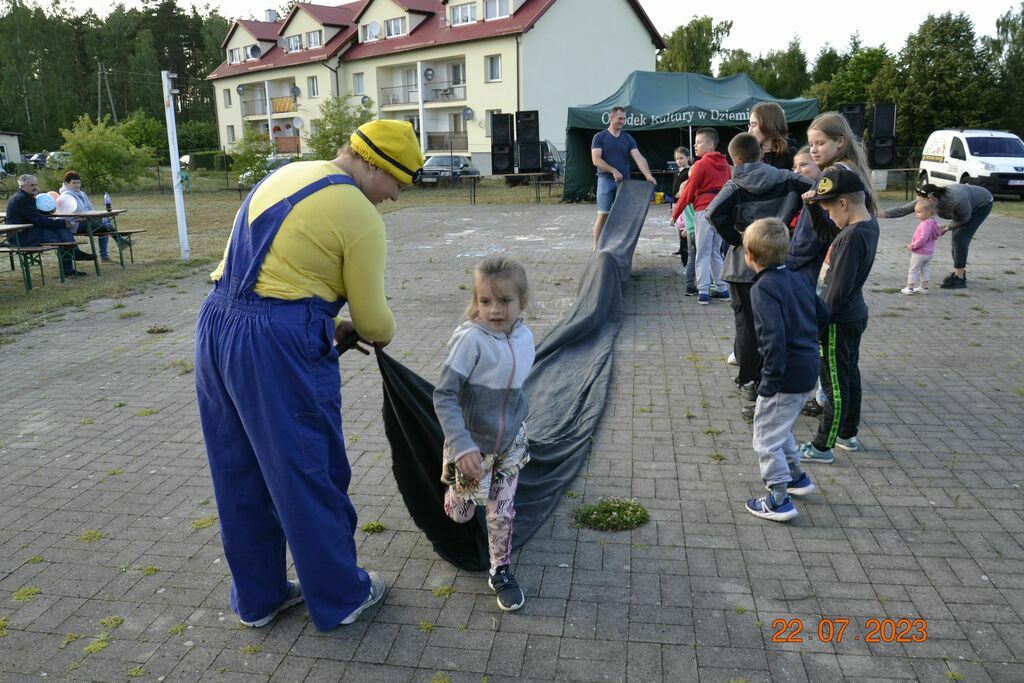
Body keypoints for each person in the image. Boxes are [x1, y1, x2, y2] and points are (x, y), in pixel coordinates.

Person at [194, 120, 424, 631]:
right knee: (306, 469)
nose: (395, 197)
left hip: (216, 323)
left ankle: (259, 599)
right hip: (277, 345)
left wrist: (320, 316)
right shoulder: (360, 215)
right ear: (371, 164)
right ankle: (342, 597)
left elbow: (274, 272)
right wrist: (358, 326)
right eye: (397, 183)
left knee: (239, 470)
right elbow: (374, 325)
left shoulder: (289, 173)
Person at [433, 256, 535, 612]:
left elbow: (517, 385)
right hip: (473, 447)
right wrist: (461, 446)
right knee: (461, 513)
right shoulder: (471, 342)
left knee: (501, 512)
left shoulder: (525, 337)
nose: (494, 310)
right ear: (476, 302)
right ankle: (452, 494)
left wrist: (518, 418)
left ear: (523, 302)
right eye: (485, 301)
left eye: (505, 301)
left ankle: (500, 569)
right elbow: (444, 394)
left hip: (509, 444)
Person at [708, 133, 812, 420]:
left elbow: (713, 213)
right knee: (780, 324)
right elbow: (818, 189)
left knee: (747, 328)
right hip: (780, 261)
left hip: (744, 265)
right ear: (761, 155)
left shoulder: (733, 185)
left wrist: (738, 240)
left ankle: (749, 384)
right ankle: (779, 383)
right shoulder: (788, 179)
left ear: (734, 160)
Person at [742, 218, 828, 521]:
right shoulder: (797, 278)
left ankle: (778, 499)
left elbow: (772, 337)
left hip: (783, 376)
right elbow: (823, 312)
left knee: (765, 437)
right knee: (782, 429)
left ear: (749, 255)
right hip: (806, 370)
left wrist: (769, 380)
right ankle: (795, 477)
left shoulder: (763, 288)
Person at [797, 167, 880, 464]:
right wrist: (812, 208)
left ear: (843, 203)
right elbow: (825, 233)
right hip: (852, 316)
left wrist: (815, 325)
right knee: (848, 376)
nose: (829, 215)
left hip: (836, 321)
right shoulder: (863, 226)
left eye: (829, 208)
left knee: (834, 386)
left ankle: (822, 446)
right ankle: (847, 433)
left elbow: (836, 291)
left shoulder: (852, 238)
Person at [786, 112, 875, 287]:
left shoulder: (832, 175)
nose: (813, 150)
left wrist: (788, 262)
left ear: (840, 141)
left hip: (813, 268)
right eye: (811, 144)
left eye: (820, 143)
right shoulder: (852, 170)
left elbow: (810, 235)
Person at [881, 183, 993, 289]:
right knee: (957, 237)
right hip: (965, 206)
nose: (920, 203)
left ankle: (959, 278)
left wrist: (947, 228)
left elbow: (964, 218)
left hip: (982, 204)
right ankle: (960, 272)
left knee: (959, 237)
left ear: (932, 199)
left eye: (921, 201)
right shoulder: (926, 199)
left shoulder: (955, 201)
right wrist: (879, 214)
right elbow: (904, 209)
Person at [673, 127, 731, 304]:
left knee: (702, 253)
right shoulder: (725, 165)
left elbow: (689, 191)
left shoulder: (700, 164)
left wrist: (675, 214)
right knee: (715, 251)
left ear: (710, 144)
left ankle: (704, 291)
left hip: (704, 211)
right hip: (721, 212)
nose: (695, 146)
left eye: (698, 142)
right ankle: (722, 289)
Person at [591, 106, 657, 249]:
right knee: (603, 215)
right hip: (605, 181)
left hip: (623, 183)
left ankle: (616, 248)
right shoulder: (599, 137)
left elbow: (639, 158)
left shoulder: (627, 138)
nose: (622, 121)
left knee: (621, 218)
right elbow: (596, 160)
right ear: (611, 118)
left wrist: (648, 175)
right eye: (620, 118)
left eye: (624, 118)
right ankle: (596, 249)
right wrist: (613, 170)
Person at [4, 173, 93, 277]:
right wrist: (62, 222)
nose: (35, 187)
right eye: (32, 185)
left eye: (36, 185)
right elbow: (39, 220)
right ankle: (71, 262)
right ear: (22, 186)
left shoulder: (27, 197)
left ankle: (74, 254)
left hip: (31, 231)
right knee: (62, 238)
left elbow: (35, 215)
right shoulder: (21, 199)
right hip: (22, 236)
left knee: (62, 230)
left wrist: (48, 213)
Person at [60, 170, 115, 262]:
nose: (77, 185)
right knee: (105, 225)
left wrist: (91, 216)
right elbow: (79, 211)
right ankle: (116, 244)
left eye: (78, 182)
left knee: (105, 221)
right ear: (67, 184)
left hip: (85, 220)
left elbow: (90, 209)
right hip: (74, 225)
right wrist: (86, 215)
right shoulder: (66, 196)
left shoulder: (82, 194)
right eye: (74, 183)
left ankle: (107, 254)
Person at [901, 199, 944, 295]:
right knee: (924, 269)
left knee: (913, 270)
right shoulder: (933, 222)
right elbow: (937, 234)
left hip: (919, 252)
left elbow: (923, 238)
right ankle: (924, 287)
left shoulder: (925, 224)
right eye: (916, 212)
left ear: (929, 212)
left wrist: (913, 246)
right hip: (929, 253)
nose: (917, 214)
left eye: (919, 212)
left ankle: (909, 288)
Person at [748, 102, 796, 171]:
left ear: (769, 124)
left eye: (754, 125)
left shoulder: (792, 156)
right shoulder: (751, 156)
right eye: (749, 125)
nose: (749, 131)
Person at [670, 147, 691, 265]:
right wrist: (671, 206)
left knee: (684, 227)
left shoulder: (689, 172)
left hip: (683, 203)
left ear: (687, 158)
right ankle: (681, 248)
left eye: (681, 158)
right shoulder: (676, 172)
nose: (679, 161)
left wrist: (682, 194)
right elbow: (674, 188)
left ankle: (685, 251)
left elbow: (688, 187)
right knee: (678, 227)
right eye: (677, 159)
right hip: (675, 202)